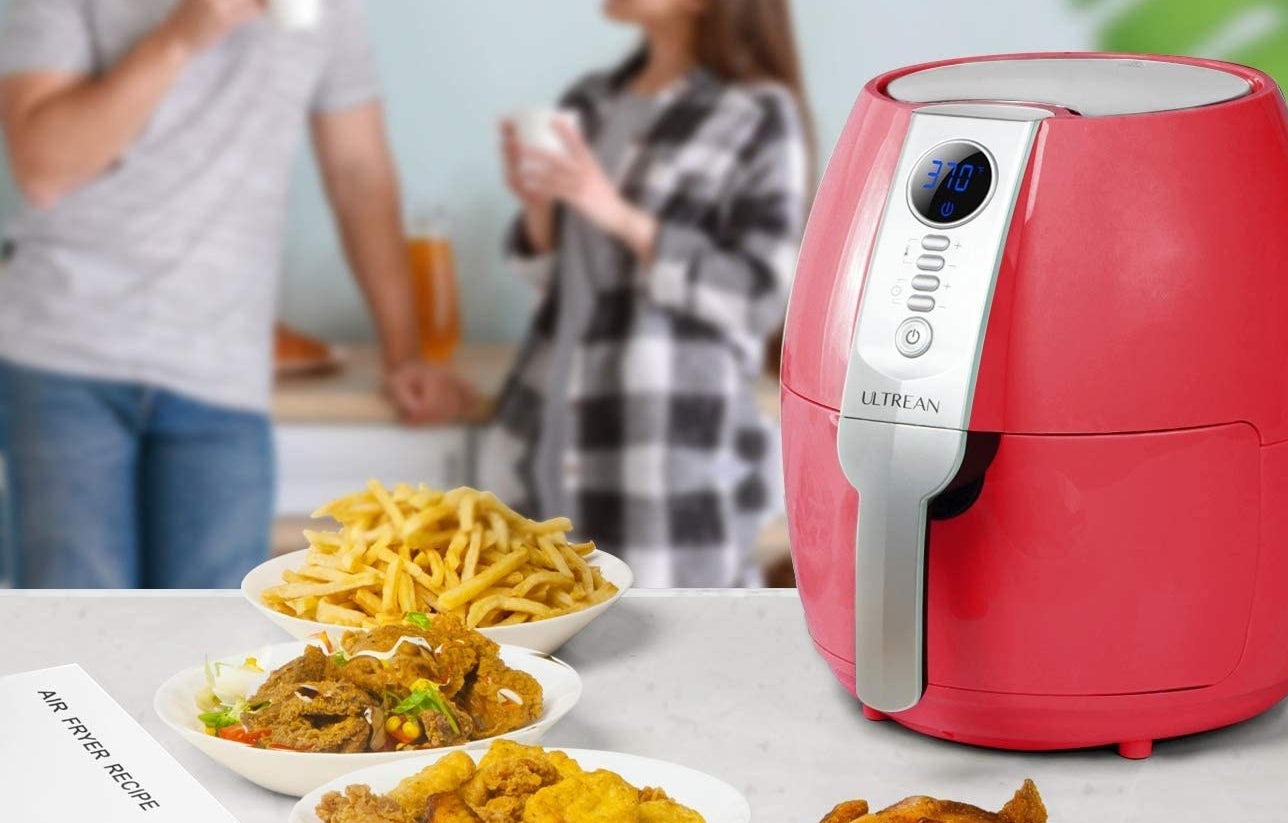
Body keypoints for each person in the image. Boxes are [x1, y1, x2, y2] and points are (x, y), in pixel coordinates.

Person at [0, 0, 470, 589]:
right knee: (77, 637)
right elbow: (44, 170)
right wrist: (182, 35)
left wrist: (405, 356)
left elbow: (359, 174)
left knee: (214, 647)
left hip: (222, 369)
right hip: (64, 354)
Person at [497, 0, 811, 588]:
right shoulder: (592, 100)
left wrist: (619, 216)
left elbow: (761, 293)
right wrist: (540, 209)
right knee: (553, 660)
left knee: (678, 659)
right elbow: (566, 284)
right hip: (553, 439)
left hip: (665, 456)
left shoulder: (756, 114)